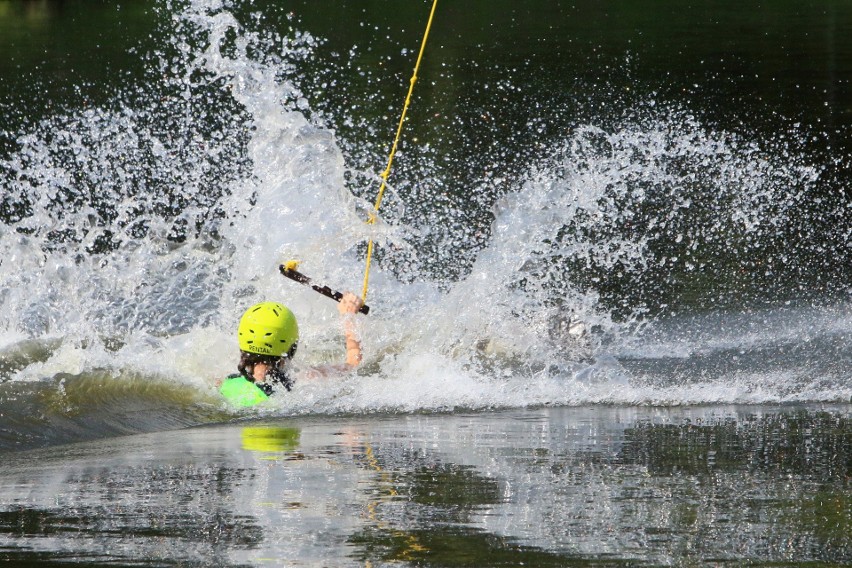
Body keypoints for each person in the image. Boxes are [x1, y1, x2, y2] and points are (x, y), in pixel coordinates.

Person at [220, 292, 363, 404]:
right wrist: (348, 316)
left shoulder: (225, 383)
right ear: (292, 347)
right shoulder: (303, 380)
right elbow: (353, 365)